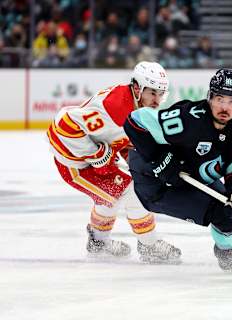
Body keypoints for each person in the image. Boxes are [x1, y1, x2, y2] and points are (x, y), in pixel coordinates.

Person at [124, 69, 232, 280]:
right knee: (223, 213)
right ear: (209, 97)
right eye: (219, 99)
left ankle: (226, 253)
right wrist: (159, 158)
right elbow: (136, 120)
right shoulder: (188, 119)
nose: (225, 107)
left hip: (191, 176)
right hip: (155, 183)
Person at [46, 61, 181, 263]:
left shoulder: (135, 107)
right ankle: (149, 245)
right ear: (137, 89)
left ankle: (98, 241)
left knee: (111, 195)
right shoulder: (115, 107)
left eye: (160, 93)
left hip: (90, 161)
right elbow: (63, 124)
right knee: (132, 190)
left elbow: (122, 141)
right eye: (152, 93)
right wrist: (95, 153)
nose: (157, 100)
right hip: (74, 164)